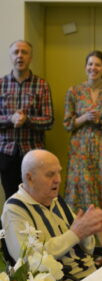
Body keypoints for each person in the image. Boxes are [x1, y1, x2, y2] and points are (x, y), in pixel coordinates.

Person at [1, 149, 102, 281]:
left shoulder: (55, 199)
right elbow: (29, 260)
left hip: (91, 275)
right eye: (50, 175)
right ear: (30, 178)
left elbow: (87, 249)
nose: (58, 179)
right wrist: (76, 233)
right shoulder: (15, 208)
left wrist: (87, 230)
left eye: (59, 172)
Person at [63, 50, 102, 250]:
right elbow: (66, 123)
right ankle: (78, 247)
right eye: (90, 64)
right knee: (82, 197)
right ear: (85, 67)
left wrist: (99, 121)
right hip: (80, 151)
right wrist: (83, 119)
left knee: (100, 198)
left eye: (98, 65)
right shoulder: (74, 92)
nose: (93, 68)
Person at [0, 40, 54, 199]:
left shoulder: (42, 85)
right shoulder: (1, 84)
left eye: (24, 52)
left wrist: (27, 120)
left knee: (35, 198)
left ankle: (33, 225)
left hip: (33, 153)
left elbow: (49, 120)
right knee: (11, 198)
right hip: (6, 152)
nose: (20, 56)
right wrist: (11, 119)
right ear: (10, 56)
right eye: (16, 52)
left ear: (30, 57)